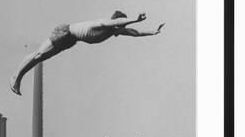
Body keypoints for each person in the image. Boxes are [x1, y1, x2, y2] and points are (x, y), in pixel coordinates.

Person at [10, 11, 165, 95]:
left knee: (41, 58)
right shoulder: (104, 23)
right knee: (38, 55)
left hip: (71, 41)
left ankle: (18, 78)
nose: (120, 32)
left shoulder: (114, 31)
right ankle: (16, 77)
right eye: (120, 27)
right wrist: (136, 19)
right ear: (116, 23)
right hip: (64, 32)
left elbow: (135, 33)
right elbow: (119, 23)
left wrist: (153, 32)